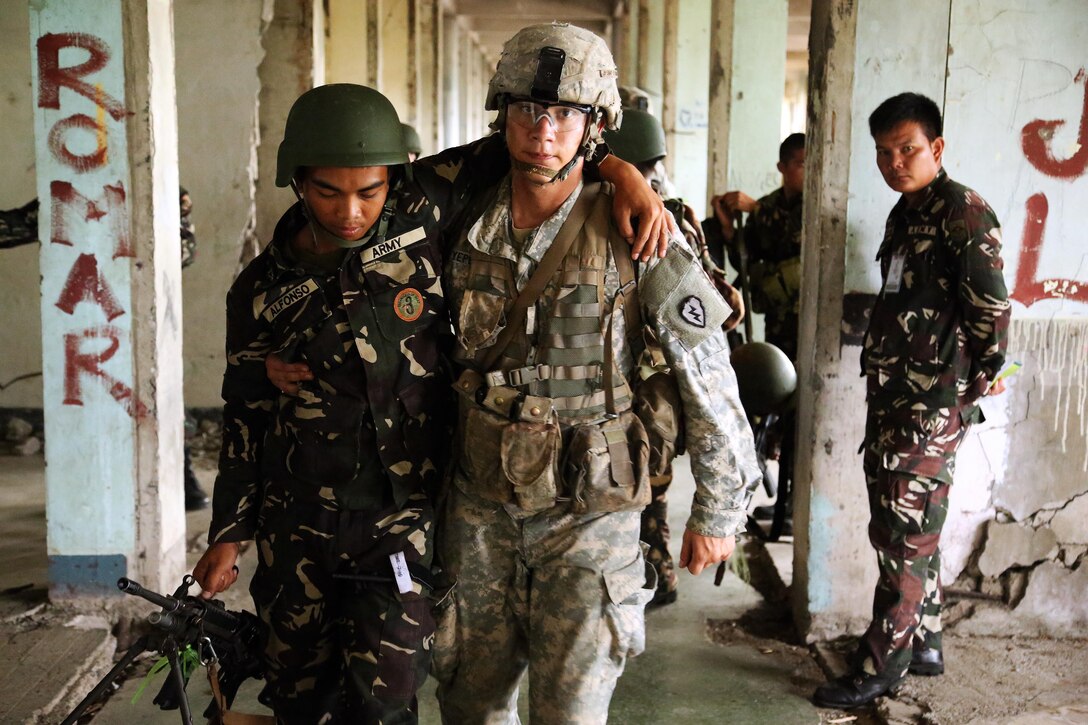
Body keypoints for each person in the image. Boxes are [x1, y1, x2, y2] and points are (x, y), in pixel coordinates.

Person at [195, 83, 672, 723]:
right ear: (297, 183)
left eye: (369, 191)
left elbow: (527, 148)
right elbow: (245, 414)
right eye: (328, 193)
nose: (351, 212)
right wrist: (230, 531)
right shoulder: (260, 291)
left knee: (389, 694)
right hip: (296, 522)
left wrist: (620, 172)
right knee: (297, 694)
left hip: (404, 519)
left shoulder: (423, 211)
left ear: (394, 177)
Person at [433, 23, 762, 723]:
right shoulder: (461, 215)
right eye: (526, 109)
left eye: (565, 113)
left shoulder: (643, 231)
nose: (543, 130)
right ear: (502, 115)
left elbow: (707, 371)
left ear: (596, 123)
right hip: (479, 509)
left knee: (571, 712)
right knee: (469, 702)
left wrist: (719, 507)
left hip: (589, 516)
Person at [812, 92, 1011, 709]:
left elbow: (992, 314)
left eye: (908, 149)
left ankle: (881, 666)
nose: (895, 162)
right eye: (884, 152)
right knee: (908, 528)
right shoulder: (906, 214)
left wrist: (968, 389)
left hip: (928, 407)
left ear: (937, 149)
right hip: (896, 399)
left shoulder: (963, 214)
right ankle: (922, 640)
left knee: (903, 538)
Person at [603, 107, 744, 606]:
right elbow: (719, 303)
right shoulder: (677, 212)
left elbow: (702, 306)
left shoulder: (657, 216)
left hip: (644, 377)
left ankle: (650, 567)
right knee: (651, 482)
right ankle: (657, 567)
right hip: (659, 380)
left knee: (639, 480)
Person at [705, 132, 805, 361]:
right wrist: (729, 230)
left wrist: (756, 208)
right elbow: (745, 258)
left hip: (807, 315)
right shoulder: (770, 203)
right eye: (801, 164)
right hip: (777, 314)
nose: (809, 171)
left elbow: (798, 232)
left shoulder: (814, 204)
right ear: (782, 167)